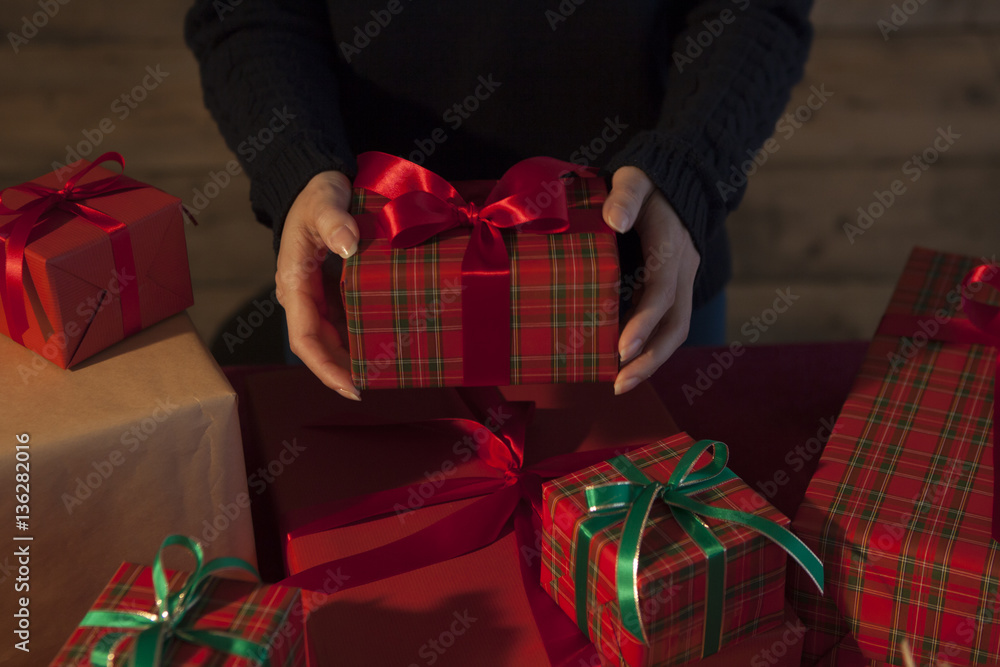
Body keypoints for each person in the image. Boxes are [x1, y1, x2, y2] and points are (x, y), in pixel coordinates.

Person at [185, 0, 814, 401]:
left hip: (641, 278)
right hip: (372, 299)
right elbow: (244, 13)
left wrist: (690, 164)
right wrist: (296, 165)